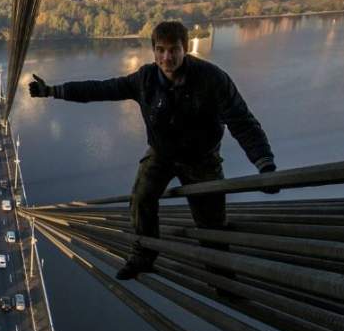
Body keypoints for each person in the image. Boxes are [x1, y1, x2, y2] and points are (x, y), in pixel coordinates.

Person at [28, 20, 277, 280]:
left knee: (211, 222)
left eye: (173, 50)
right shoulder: (145, 79)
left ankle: (222, 275)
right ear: (153, 50)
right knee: (141, 198)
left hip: (201, 159)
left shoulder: (212, 79)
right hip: (162, 153)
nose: (166, 57)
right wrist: (52, 91)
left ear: (185, 48)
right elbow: (101, 89)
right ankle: (143, 255)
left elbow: (242, 122)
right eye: (160, 50)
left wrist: (264, 163)